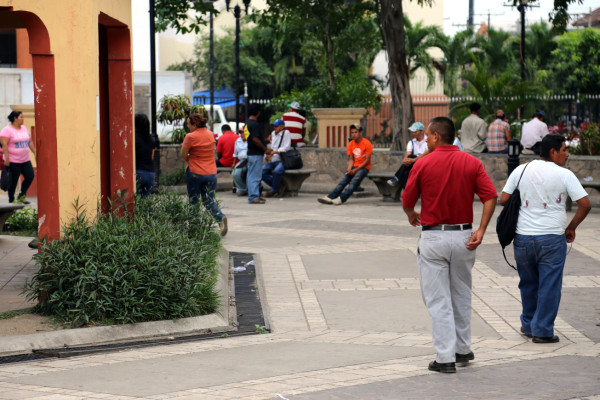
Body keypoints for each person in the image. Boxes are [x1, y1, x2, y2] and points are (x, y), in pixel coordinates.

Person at [402, 117, 497, 373]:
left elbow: (407, 198)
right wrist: (482, 229)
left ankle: (445, 358)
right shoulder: (472, 162)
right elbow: (490, 196)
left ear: (434, 136)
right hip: (465, 235)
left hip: (434, 237)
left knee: (438, 299)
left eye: (430, 135)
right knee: (461, 294)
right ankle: (462, 350)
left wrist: (411, 213)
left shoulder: (423, 163)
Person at [500, 134, 590, 344]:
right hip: (551, 239)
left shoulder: (521, 169)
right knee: (549, 285)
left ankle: (529, 324)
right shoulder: (564, 174)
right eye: (564, 150)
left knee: (528, 284)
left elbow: (503, 198)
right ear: (553, 152)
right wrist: (571, 227)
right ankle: (542, 331)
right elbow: (585, 204)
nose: (567, 154)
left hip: (523, 238)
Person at [181, 112, 227, 236]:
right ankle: (220, 218)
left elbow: (183, 154)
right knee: (209, 200)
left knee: (194, 200)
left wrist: (190, 159)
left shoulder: (190, 137)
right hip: (211, 173)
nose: (188, 126)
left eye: (188, 124)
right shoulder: (211, 135)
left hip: (195, 172)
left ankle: (194, 229)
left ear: (194, 124)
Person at [318, 124, 372, 205]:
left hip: (363, 167)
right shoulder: (351, 143)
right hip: (354, 166)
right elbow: (351, 159)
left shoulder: (367, 143)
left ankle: (341, 199)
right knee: (343, 181)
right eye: (352, 132)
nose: (353, 134)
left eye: (356, 132)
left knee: (353, 182)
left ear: (360, 133)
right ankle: (330, 197)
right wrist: (349, 169)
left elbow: (367, 161)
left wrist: (355, 170)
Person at [0, 111, 36, 204]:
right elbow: (4, 144)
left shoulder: (24, 128)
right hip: (13, 161)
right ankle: (11, 199)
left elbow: (30, 141)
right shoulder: (7, 130)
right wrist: (7, 159)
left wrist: (35, 152)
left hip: (25, 159)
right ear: (15, 118)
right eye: (21, 117)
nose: (23, 119)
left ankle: (21, 196)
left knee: (30, 176)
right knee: (13, 181)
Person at [387, 122, 429, 189]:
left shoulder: (428, 141)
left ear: (422, 131)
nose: (413, 133)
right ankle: (406, 192)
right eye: (412, 131)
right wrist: (405, 159)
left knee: (411, 157)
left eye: (415, 131)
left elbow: (425, 154)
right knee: (406, 173)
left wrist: (413, 160)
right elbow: (408, 153)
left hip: (424, 163)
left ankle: (396, 177)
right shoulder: (411, 142)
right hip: (413, 164)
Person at [245, 104, 271, 204]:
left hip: (250, 152)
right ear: (258, 113)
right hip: (256, 153)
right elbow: (255, 139)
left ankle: (254, 195)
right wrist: (265, 149)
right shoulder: (255, 124)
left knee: (251, 175)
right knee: (255, 176)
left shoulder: (247, 124)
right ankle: (253, 197)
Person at [262, 119, 291, 198]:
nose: (274, 127)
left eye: (276, 126)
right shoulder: (273, 134)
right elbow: (272, 147)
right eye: (274, 126)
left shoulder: (286, 133)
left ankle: (274, 190)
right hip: (274, 159)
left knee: (277, 172)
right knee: (262, 171)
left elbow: (287, 147)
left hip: (283, 160)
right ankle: (278, 187)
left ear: (282, 127)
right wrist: (268, 155)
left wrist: (274, 152)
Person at [134, 113, 157, 196]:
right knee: (146, 203)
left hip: (137, 171)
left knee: (136, 202)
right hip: (150, 173)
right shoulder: (151, 139)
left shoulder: (133, 137)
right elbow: (152, 156)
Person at [232, 126, 248, 196]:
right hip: (242, 161)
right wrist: (234, 163)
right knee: (235, 173)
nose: (242, 134)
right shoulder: (238, 141)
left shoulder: (252, 140)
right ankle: (242, 189)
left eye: (244, 133)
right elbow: (235, 153)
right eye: (241, 133)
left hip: (251, 160)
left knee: (251, 173)